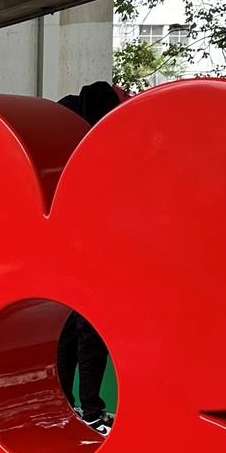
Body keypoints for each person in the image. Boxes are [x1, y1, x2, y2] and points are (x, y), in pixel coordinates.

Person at [53, 81, 130, 434]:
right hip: (89, 246)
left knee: (70, 326)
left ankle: (72, 405)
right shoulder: (97, 139)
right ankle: (89, 410)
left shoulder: (65, 128)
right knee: (87, 327)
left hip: (70, 245)